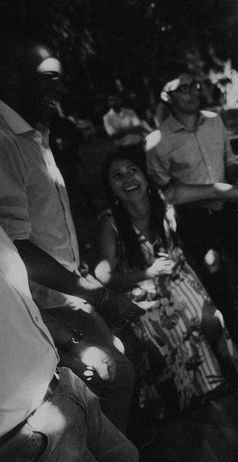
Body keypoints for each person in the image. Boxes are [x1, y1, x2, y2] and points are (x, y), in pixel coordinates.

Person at [0, 38, 142, 431]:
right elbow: (16, 247)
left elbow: (46, 226)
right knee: (115, 375)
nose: (61, 90)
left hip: (67, 292)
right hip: (43, 304)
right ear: (12, 77)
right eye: (49, 78)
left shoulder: (34, 135)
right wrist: (97, 294)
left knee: (116, 371)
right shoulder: (5, 141)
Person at [96, 152, 238, 409]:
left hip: (181, 278)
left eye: (132, 170)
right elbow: (103, 277)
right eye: (117, 176)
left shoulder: (164, 200)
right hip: (143, 290)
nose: (128, 179)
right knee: (171, 328)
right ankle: (189, 396)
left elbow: (216, 190)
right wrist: (147, 273)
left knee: (211, 319)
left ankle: (226, 379)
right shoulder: (110, 223)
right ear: (111, 188)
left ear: (144, 175)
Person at [146, 70, 238, 347]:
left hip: (228, 208)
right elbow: (165, 192)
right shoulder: (158, 141)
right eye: (183, 88)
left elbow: (230, 159)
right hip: (194, 218)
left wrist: (236, 177)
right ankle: (234, 339)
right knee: (215, 276)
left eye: (194, 85)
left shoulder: (214, 121)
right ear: (166, 96)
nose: (193, 91)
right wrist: (203, 198)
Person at [0, 224, 139, 462]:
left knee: (125, 459)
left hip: (59, 385)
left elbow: (19, 302)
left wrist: (77, 344)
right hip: (26, 430)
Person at [103, 92, 152, 161]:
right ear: (108, 102)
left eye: (116, 99)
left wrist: (121, 131)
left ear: (120, 100)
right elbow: (113, 136)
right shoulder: (107, 117)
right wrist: (131, 129)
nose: (115, 102)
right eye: (111, 100)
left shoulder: (130, 112)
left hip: (137, 146)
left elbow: (138, 127)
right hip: (123, 149)